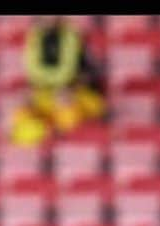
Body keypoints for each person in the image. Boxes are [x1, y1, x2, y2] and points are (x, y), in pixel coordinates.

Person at [9, 16, 107, 148]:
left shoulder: (75, 38)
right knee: (23, 106)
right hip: (49, 95)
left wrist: (71, 88)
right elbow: (34, 71)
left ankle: (59, 139)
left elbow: (89, 75)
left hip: (79, 99)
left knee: (65, 102)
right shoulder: (37, 37)